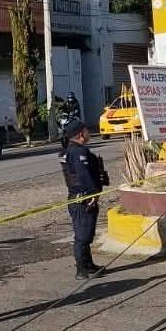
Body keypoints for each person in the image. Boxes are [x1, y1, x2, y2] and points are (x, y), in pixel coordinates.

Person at [61, 119, 108, 279]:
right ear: (81, 133)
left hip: (82, 198)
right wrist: (92, 193)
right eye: (87, 130)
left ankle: (89, 264)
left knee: (87, 234)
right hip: (82, 200)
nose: (89, 132)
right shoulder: (77, 152)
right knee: (82, 236)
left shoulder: (74, 150)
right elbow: (83, 175)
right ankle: (81, 269)